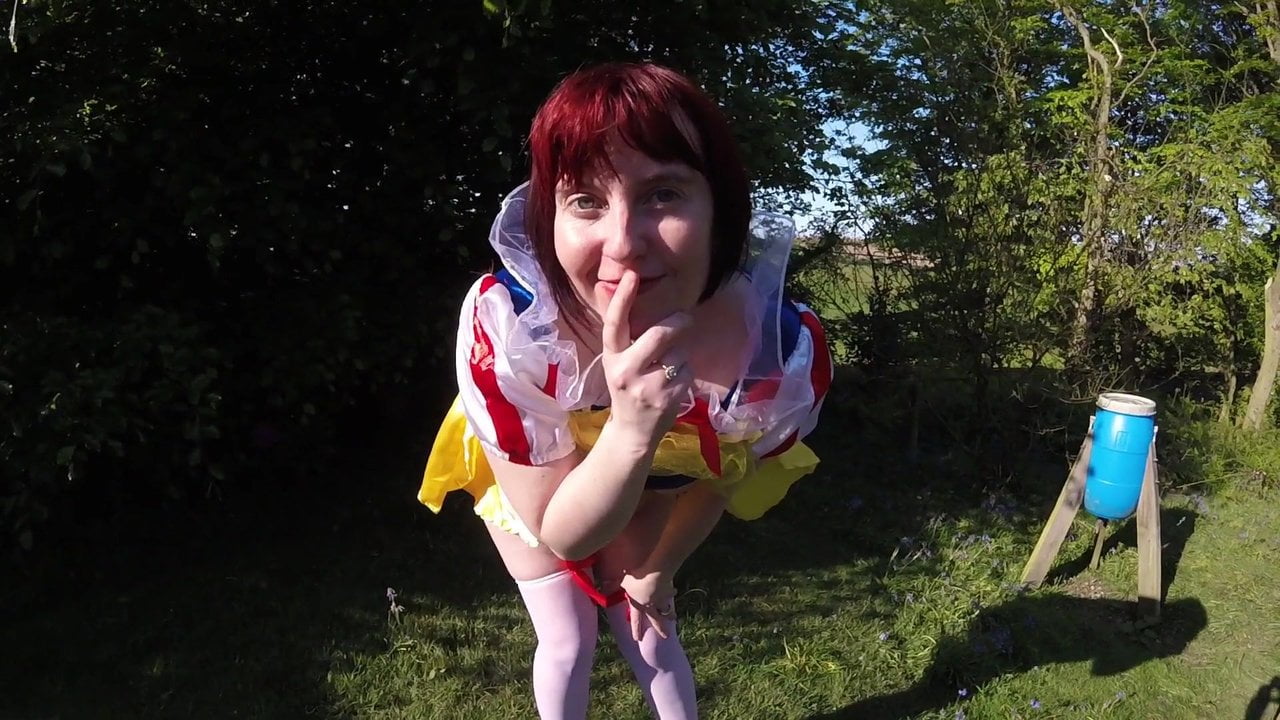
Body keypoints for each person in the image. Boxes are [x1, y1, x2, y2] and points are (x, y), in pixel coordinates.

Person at [418, 62, 832, 720]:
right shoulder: (515, 331)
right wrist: (634, 427)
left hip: (652, 477)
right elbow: (562, 532)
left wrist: (658, 570)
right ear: (548, 216)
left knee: (649, 624)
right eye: (586, 200)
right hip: (532, 473)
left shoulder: (776, 355)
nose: (624, 244)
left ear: (720, 208)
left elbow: (721, 478)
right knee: (567, 636)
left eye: (663, 194)